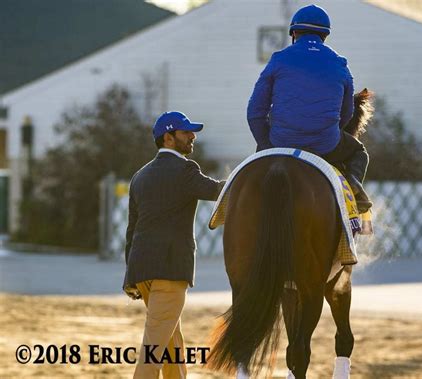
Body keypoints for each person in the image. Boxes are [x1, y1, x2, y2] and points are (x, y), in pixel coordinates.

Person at [123, 111, 225, 379]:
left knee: (170, 340)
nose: (193, 136)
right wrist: (250, 179)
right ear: (168, 138)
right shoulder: (185, 170)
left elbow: (132, 230)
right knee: (154, 348)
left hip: (142, 271)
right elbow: (218, 192)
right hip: (170, 271)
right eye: (186, 132)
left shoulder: (139, 176)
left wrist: (129, 277)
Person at [247, 4, 372, 213]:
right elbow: (347, 113)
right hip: (326, 144)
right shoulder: (340, 65)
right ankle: (354, 187)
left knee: (251, 177)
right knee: (359, 152)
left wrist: (267, 144)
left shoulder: (278, 59)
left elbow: (255, 113)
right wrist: (325, 131)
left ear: (294, 33)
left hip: (280, 143)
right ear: (325, 35)